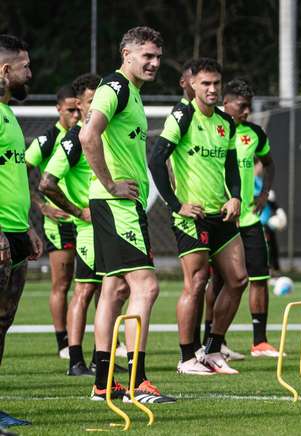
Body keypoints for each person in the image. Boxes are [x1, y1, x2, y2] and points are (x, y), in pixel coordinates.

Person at [79, 26, 174, 402]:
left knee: (114, 289)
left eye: (157, 57)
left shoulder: (131, 92)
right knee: (146, 287)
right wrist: (111, 184)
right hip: (116, 203)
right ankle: (136, 380)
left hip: (121, 205)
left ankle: (104, 382)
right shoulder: (115, 87)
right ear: (126, 54)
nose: (153, 63)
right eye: (146, 56)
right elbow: (89, 136)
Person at [150, 58, 247, 375]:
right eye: (205, 83)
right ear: (192, 84)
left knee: (238, 280)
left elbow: (231, 166)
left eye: (216, 83)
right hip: (192, 217)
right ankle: (186, 357)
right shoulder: (182, 115)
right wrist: (176, 205)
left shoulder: (225, 122)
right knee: (197, 282)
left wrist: (235, 195)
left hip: (221, 214)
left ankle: (214, 349)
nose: (212, 89)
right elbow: (156, 160)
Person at [40, 73, 113, 376]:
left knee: (109, 291)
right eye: (91, 102)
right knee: (83, 291)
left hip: (108, 224)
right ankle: (75, 361)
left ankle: (100, 358)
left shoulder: (105, 134)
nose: (96, 107)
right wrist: (77, 211)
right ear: (80, 106)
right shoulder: (73, 139)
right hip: (87, 229)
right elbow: (47, 183)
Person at [214, 78, 279, 358]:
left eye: (248, 107)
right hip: (222, 219)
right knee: (217, 283)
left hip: (250, 220)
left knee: (260, 278)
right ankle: (214, 341)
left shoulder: (254, 133)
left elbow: (269, 163)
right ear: (225, 103)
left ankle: (260, 341)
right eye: (241, 106)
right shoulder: (213, 129)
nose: (246, 112)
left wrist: (264, 193)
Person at [0, 33, 42, 429]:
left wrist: (26, 226)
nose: (30, 72)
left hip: (15, 232)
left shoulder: (8, 115)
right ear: (5, 70)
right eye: (25, 66)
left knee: (3, 323)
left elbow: (11, 178)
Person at [25, 85, 79, 359]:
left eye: (79, 109)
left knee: (95, 283)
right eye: (70, 110)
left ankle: (90, 341)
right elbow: (21, 174)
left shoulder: (86, 134)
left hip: (87, 219)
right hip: (61, 224)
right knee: (62, 283)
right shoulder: (48, 139)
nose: (76, 115)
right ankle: (63, 343)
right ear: (59, 109)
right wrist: (42, 206)